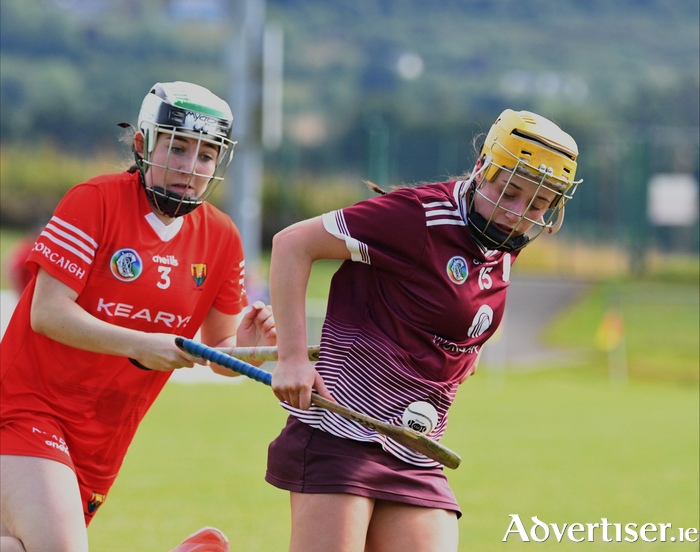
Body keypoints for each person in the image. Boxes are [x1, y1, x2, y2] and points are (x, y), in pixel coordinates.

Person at [266, 109, 581, 552]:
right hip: (341, 433)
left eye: (537, 205)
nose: (517, 214)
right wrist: (293, 357)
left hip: (415, 449)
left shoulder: (501, 245)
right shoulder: (420, 217)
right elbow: (292, 244)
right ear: (481, 169)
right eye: (509, 192)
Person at [0, 81, 276, 552]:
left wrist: (244, 347)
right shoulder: (95, 201)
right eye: (178, 147)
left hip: (106, 435)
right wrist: (138, 341)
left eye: (207, 155)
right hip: (27, 409)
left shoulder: (223, 238)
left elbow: (218, 355)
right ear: (143, 144)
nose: (190, 169)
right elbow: (46, 313)